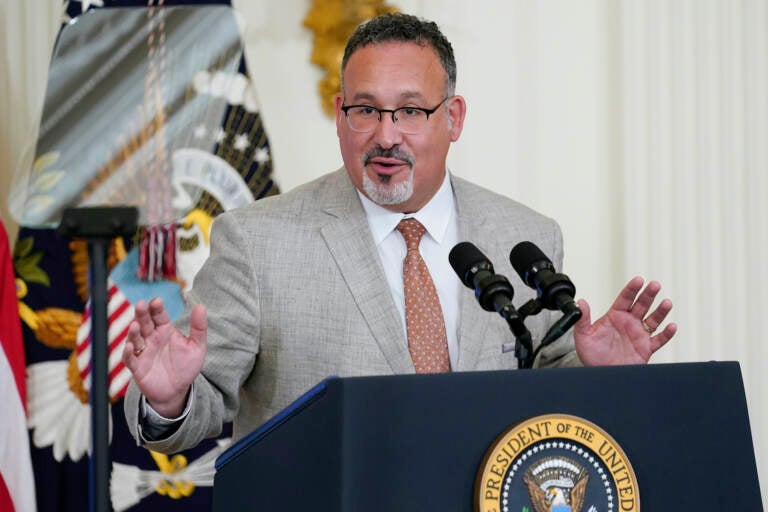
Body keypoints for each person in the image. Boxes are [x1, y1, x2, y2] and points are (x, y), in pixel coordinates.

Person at [123, 13, 676, 453]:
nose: (386, 136)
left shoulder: (525, 236)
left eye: (411, 111)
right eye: (366, 110)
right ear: (341, 114)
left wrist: (597, 376)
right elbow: (196, 403)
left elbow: (544, 392)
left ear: (453, 118)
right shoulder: (257, 241)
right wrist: (168, 400)